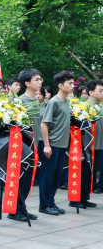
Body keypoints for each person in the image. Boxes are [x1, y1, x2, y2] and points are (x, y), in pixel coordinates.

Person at [38, 71, 74, 215]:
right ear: (60, 85)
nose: (72, 86)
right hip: (52, 145)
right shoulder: (53, 102)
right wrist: (47, 145)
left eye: (73, 83)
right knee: (47, 175)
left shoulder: (66, 101)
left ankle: (51, 202)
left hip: (62, 144)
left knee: (57, 175)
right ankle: (44, 205)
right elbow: (44, 124)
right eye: (69, 83)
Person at [9, 69, 42, 222]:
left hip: (34, 145)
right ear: (27, 83)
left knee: (28, 179)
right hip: (22, 147)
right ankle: (14, 210)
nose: (40, 82)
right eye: (37, 79)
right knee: (20, 178)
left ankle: (22, 208)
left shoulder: (35, 101)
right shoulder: (19, 101)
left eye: (40, 79)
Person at [86, 80, 103, 193]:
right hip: (88, 146)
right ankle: (82, 196)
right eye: (101, 91)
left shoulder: (99, 107)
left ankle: (89, 194)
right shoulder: (84, 107)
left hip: (100, 145)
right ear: (91, 92)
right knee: (87, 171)